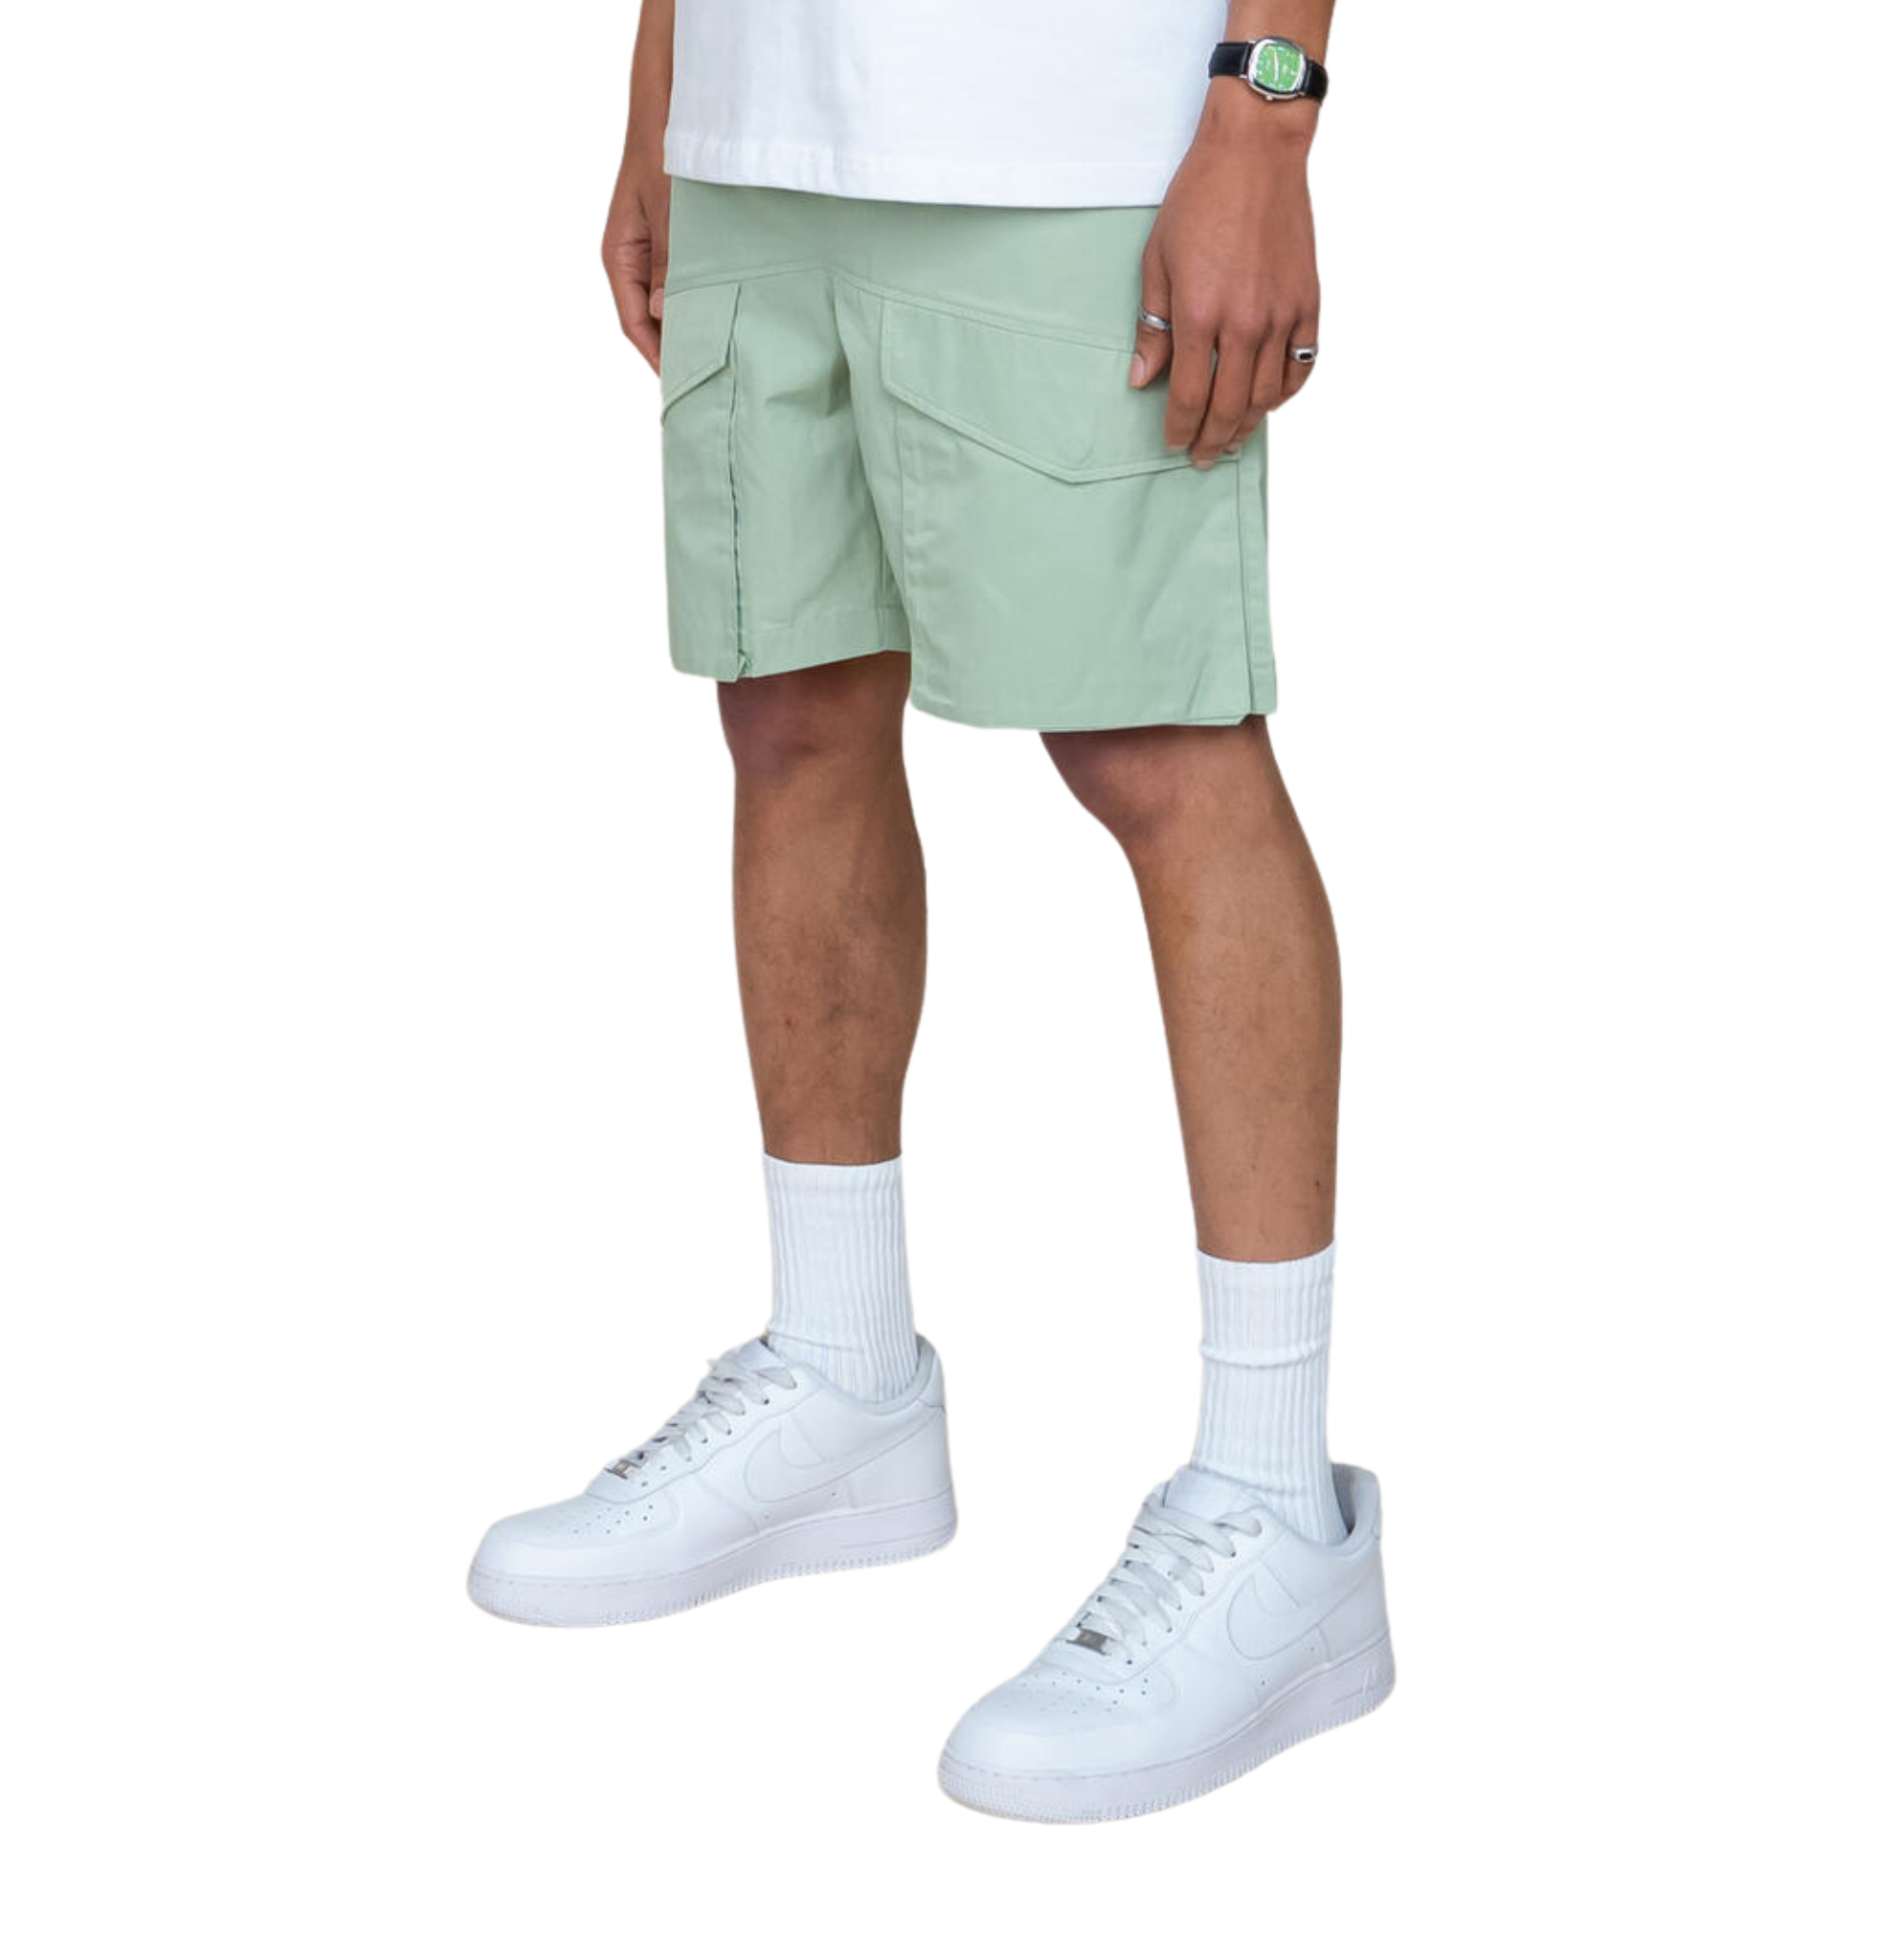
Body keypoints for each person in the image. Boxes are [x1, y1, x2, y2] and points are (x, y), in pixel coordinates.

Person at [469, 0, 1392, 1823]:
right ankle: (842, 1375)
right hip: (760, 126)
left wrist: (1266, 113)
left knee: (1162, 749)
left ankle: (1278, 1508)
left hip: (1068, 136)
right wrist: (664, 75)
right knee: (791, 712)